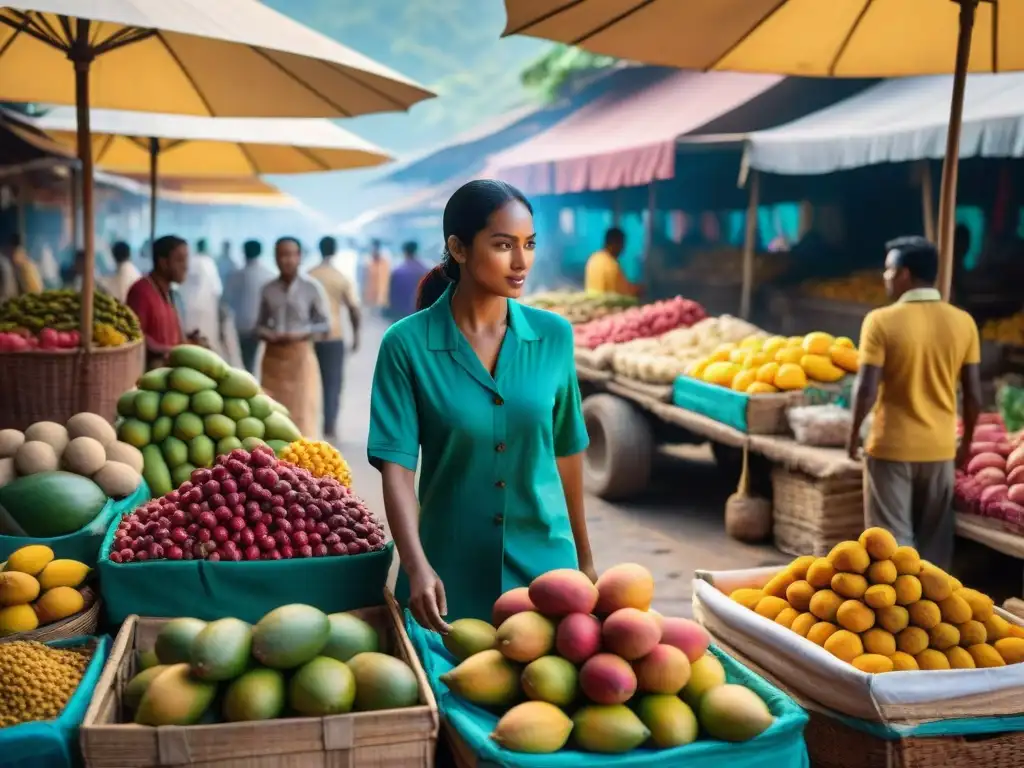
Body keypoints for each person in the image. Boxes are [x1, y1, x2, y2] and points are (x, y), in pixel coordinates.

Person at [369, 179, 596, 631]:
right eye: (502, 245)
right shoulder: (406, 345)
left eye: (529, 245)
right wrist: (416, 567)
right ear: (458, 247)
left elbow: (567, 450)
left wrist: (584, 559)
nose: (521, 262)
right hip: (447, 576)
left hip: (547, 569)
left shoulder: (554, 336)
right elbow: (397, 468)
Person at [847, 236, 982, 571]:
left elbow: (865, 390)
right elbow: (975, 397)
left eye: (889, 270)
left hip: (891, 448)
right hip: (939, 449)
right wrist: (965, 444)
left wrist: (852, 438)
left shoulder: (880, 321)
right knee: (935, 557)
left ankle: (894, 622)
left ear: (905, 274)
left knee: (891, 553)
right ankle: (933, 619)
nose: (885, 277)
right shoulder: (963, 322)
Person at [256, 237, 331, 438]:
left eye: (291, 254)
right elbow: (259, 325)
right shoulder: (267, 289)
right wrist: (268, 334)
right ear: (275, 258)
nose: (286, 260)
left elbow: (325, 324)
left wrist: (301, 333)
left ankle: (302, 466)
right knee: (271, 416)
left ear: (300, 257)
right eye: (282, 255)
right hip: (272, 359)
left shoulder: (312, 287)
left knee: (303, 416)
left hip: (301, 357)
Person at [308, 236, 361, 442]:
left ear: (320, 249)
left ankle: (310, 426)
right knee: (332, 384)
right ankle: (330, 427)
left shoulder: (310, 275)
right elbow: (354, 309)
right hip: (334, 338)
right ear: (335, 251)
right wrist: (356, 336)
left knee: (310, 382)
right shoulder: (341, 277)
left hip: (310, 338)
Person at [126, 235, 189, 370]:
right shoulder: (141, 291)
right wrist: (169, 351)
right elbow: (135, 336)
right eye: (180, 260)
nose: (185, 266)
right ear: (163, 263)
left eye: (186, 260)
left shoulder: (170, 294)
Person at [223, 239, 274, 374]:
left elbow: (226, 300)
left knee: (248, 361)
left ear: (243, 252)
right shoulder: (269, 275)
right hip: (264, 326)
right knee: (260, 361)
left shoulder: (235, 275)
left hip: (242, 324)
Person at [180, 237, 223, 355]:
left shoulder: (190, 261)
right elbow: (217, 289)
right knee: (206, 346)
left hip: (188, 309)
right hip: (206, 310)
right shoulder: (209, 263)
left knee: (190, 344)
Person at [584, 227, 637, 296]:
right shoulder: (611, 265)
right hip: (607, 305)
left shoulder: (593, 259)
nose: (623, 248)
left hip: (592, 305)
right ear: (614, 243)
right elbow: (624, 293)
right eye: (622, 244)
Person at [388, 240, 430, 321]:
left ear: (404, 252)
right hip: (419, 313)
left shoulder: (397, 271)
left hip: (401, 315)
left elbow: (392, 296)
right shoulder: (425, 270)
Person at [363, 239, 390, 311]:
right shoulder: (367, 263)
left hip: (381, 302)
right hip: (369, 301)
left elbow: (385, 282)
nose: (374, 250)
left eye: (375, 248)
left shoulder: (385, 263)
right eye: (372, 248)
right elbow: (363, 281)